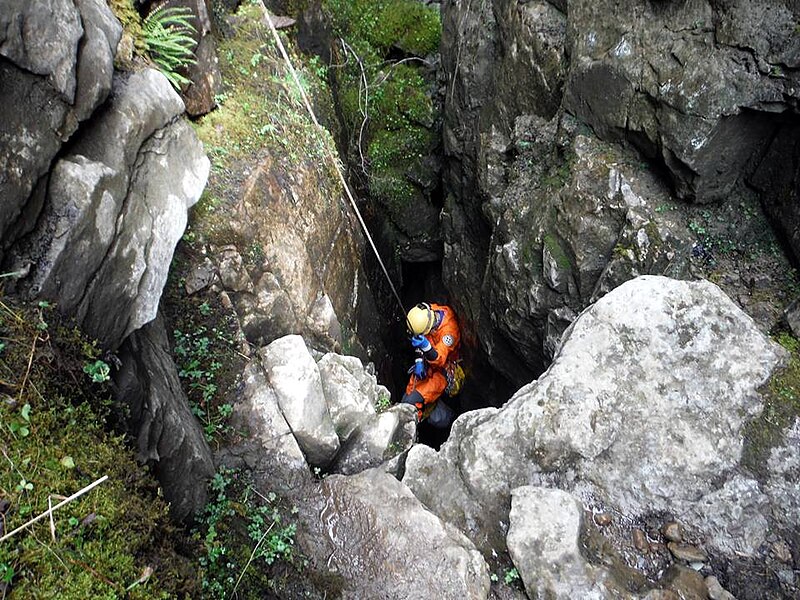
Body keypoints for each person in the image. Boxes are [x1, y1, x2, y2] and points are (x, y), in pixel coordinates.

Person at [401, 301, 460, 429]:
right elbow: (420, 341)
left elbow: (439, 358)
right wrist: (419, 361)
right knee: (408, 395)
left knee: (411, 401)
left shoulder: (449, 332)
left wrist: (425, 346)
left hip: (443, 370)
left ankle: (451, 421)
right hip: (427, 363)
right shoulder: (427, 313)